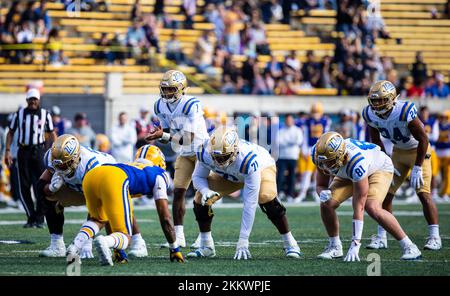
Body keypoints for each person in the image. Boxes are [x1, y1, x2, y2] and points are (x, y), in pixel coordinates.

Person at [187, 127, 301, 259]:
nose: (219, 162)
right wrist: (205, 190)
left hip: (262, 168)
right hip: (231, 175)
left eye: (224, 156)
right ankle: (207, 245)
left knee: (265, 196)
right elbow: (198, 177)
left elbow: (249, 203)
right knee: (200, 197)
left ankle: (290, 243)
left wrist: (243, 241)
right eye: (216, 157)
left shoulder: (248, 160)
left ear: (235, 150)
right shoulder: (204, 151)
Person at [66, 145, 184, 266]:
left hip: (93, 175)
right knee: (125, 237)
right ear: (160, 162)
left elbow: (111, 212)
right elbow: (165, 217)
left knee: (98, 219)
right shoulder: (159, 174)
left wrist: (118, 251)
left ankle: (75, 246)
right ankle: (105, 241)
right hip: (115, 178)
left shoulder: (129, 165)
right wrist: (174, 248)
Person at [313, 132, 422, 261]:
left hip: (378, 168)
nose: (326, 166)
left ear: (340, 155)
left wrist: (355, 244)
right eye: (324, 162)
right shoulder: (321, 154)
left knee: (372, 207)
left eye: (330, 162)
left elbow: (359, 206)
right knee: (327, 203)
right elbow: (320, 184)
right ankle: (335, 247)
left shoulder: (355, 161)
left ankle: (409, 246)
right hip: (349, 171)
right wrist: (322, 194)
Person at [37, 135, 148, 258]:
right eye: (57, 165)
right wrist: (51, 188)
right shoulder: (53, 157)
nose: (59, 169)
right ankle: (57, 245)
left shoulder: (91, 166)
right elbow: (40, 186)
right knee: (48, 197)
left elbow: (96, 204)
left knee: (118, 208)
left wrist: (87, 241)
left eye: (64, 165)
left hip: (107, 179)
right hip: (78, 187)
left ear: (75, 158)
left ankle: (138, 241)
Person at [362, 80, 442, 250]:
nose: (377, 104)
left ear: (391, 98)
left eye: (381, 100)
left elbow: (424, 139)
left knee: (424, 194)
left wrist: (418, 166)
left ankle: (435, 237)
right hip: (398, 153)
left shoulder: (404, 110)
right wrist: (383, 162)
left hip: (419, 151)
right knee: (384, 195)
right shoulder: (369, 114)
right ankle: (382, 236)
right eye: (374, 100)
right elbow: (376, 141)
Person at [146, 70, 209, 248]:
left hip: (201, 152)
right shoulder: (159, 105)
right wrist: (160, 134)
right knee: (178, 192)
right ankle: (179, 236)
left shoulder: (191, 104)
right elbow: (169, 132)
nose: (167, 93)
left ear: (181, 89)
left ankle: (204, 237)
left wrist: (162, 136)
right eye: (164, 89)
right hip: (185, 153)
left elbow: (187, 138)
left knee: (201, 194)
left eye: (171, 89)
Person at [4, 89, 56, 228]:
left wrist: (54, 150)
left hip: (39, 151)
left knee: (40, 184)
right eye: (30, 99)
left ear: (38, 100)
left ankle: (39, 218)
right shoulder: (19, 114)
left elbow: (51, 133)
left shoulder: (45, 114)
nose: (33, 101)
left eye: (35, 99)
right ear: (27, 100)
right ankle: (30, 217)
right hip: (24, 151)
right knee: (24, 186)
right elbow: (10, 133)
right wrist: (8, 151)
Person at [297, 102, 331, 202]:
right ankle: (303, 193)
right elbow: (306, 135)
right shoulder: (307, 121)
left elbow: (326, 135)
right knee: (307, 173)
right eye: (314, 112)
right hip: (309, 149)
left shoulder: (325, 121)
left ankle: (317, 193)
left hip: (321, 149)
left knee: (319, 173)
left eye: (317, 112)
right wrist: (304, 149)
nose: (315, 114)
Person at [276, 114, 303, 202]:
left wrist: (287, 142)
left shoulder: (297, 130)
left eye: (290, 120)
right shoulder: (281, 130)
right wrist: (291, 142)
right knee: (280, 176)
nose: (288, 122)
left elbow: (299, 141)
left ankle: (290, 194)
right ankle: (278, 193)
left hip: (293, 156)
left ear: (292, 121)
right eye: (287, 120)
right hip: (282, 156)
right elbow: (278, 142)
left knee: (291, 177)